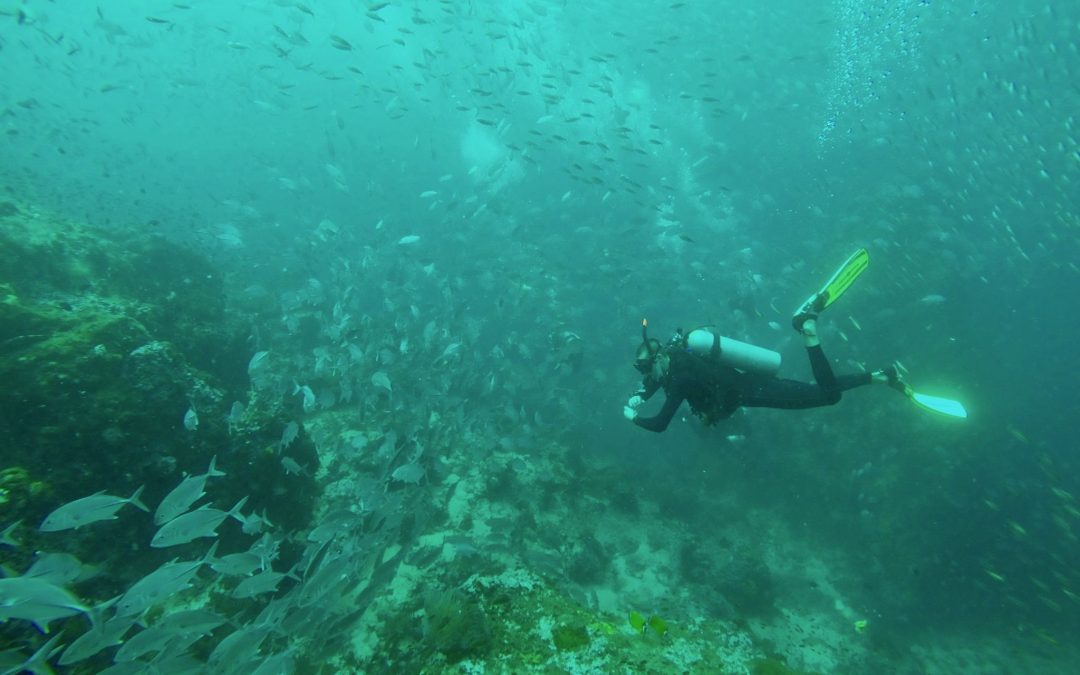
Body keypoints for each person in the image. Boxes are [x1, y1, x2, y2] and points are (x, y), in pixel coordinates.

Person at [623, 301, 905, 433]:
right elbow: (656, 381)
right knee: (817, 391)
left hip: (753, 391)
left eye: (646, 371)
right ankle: (881, 377)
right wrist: (640, 395)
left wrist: (632, 417)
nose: (648, 378)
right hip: (749, 383)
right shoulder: (675, 359)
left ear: (656, 362)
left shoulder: (679, 377)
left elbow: (660, 424)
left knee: (827, 396)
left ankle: (808, 331)